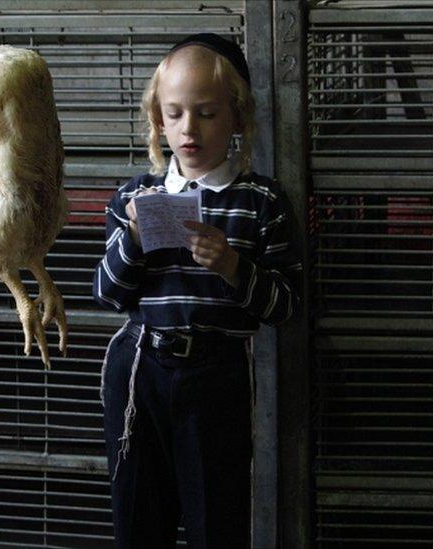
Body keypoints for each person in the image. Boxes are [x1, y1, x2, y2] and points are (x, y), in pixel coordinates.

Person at [92, 33, 302, 548]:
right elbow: (108, 293)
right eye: (176, 113)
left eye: (207, 113)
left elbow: (287, 305)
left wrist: (233, 265)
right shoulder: (135, 197)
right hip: (139, 369)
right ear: (159, 119)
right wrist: (135, 238)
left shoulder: (262, 201)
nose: (190, 129)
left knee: (218, 520)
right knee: (138, 516)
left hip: (216, 375)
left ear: (236, 117)